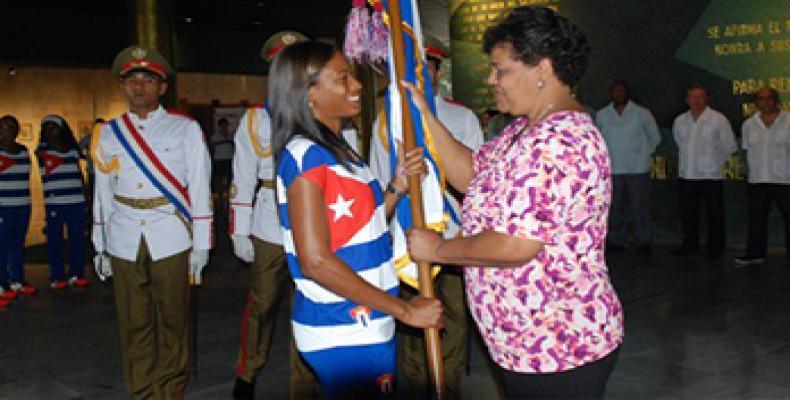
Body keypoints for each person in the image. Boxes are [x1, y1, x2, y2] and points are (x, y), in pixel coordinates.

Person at [404, 6, 624, 399]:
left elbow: (515, 244)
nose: (491, 79)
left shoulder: (562, 141)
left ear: (542, 68)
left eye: (500, 69)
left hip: (559, 345)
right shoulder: (523, 131)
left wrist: (438, 249)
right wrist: (425, 115)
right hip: (525, 343)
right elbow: (472, 175)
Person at [269, 41, 443, 398]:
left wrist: (396, 186)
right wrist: (405, 311)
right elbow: (316, 261)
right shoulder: (306, 157)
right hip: (343, 325)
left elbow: (363, 223)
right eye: (343, 78)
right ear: (309, 93)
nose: (358, 86)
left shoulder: (337, 149)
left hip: (364, 318)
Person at [91, 45, 212, 399]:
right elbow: (102, 192)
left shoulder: (184, 129)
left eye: (148, 79)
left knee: (174, 319)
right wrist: (100, 246)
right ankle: (142, 389)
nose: (139, 86)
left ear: (162, 87)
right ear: (123, 86)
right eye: (132, 79)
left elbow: (201, 187)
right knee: (134, 321)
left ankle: (171, 388)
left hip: (171, 233)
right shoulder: (109, 133)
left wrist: (201, 245)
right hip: (124, 233)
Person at [368, 35, 482, 399]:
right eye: (411, 71)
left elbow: (479, 180)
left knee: (450, 315)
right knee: (407, 315)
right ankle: (415, 385)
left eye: (425, 69)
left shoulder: (460, 117)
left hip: (450, 232)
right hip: (402, 235)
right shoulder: (386, 120)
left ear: (435, 71)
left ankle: (445, 387)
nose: (420, 76)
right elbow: (376, 177)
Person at [229, 30, 319, 400]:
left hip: (313, 222)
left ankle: (304, 381)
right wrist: (239, 230)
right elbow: (242, 176)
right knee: (262, 305)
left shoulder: (322, 114)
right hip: (269, 221)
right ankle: (248, 371)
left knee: (311, 302)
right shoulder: (255, 120)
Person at [595, 80, 661, 254]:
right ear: (611, 94)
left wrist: (642, 153)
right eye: (616, 91)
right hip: (613, 169)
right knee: (615, 208)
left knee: (640, 207)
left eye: (622, 91)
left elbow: (655, 137)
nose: (619, 94)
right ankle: (616, 240)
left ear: (627, 93)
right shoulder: (602, 115)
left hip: (637, 169)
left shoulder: (642, 113)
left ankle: (643, 240)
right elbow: (597, 140)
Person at [672, 85, 737, 258]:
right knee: (688, 214)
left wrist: (714, 161)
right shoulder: (680, 121)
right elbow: (679, 142)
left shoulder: (718, 119)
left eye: (700, 97)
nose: (697, 101)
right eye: (693, 97)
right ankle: (690, 244)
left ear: (707, 99)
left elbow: (729, 146)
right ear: (687, 100)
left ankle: (715, 248)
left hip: (710, 175)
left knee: (714, 214)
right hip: (687, 174)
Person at [734, 87, 790, 267]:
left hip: (785, 179)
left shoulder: (789, 120)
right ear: (756, 102)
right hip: (758, 179)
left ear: (777, 101)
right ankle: (755, 254)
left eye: (769, 99)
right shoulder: (749, 124)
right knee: (756, 219)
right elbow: (746, 150)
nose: (765, 103)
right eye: (761, 99)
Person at [37, 115, 89, 289]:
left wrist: (85, 194)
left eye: (54, 127)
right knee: (55, 240)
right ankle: (57, 276)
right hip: (55, 202)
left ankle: (76, 273)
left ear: (62, 129)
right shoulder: (42, 149)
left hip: (76, 200)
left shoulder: (73, 150)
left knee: (77, 239)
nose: (50, 131)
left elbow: (78, 173)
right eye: (47, 128)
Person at [0, 115, 35, 305]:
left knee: (17, 244)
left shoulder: (22, 151)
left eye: (11, 127)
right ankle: (1, 284)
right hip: (3, 206)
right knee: (1, 245)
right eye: (4, 127)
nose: (8, 131)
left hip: (22, 204)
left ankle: (17, 280)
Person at [210, 117, 234, 212]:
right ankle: (219, 203)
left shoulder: (231, 136)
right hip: (218, 161)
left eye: (226, 126)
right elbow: (212, 149)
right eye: (222, 126)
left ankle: (227, 202)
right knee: (218, 183)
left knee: (229, 182)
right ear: (219, 127)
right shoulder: (215, 137)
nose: (224, 127)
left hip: (229, 161)